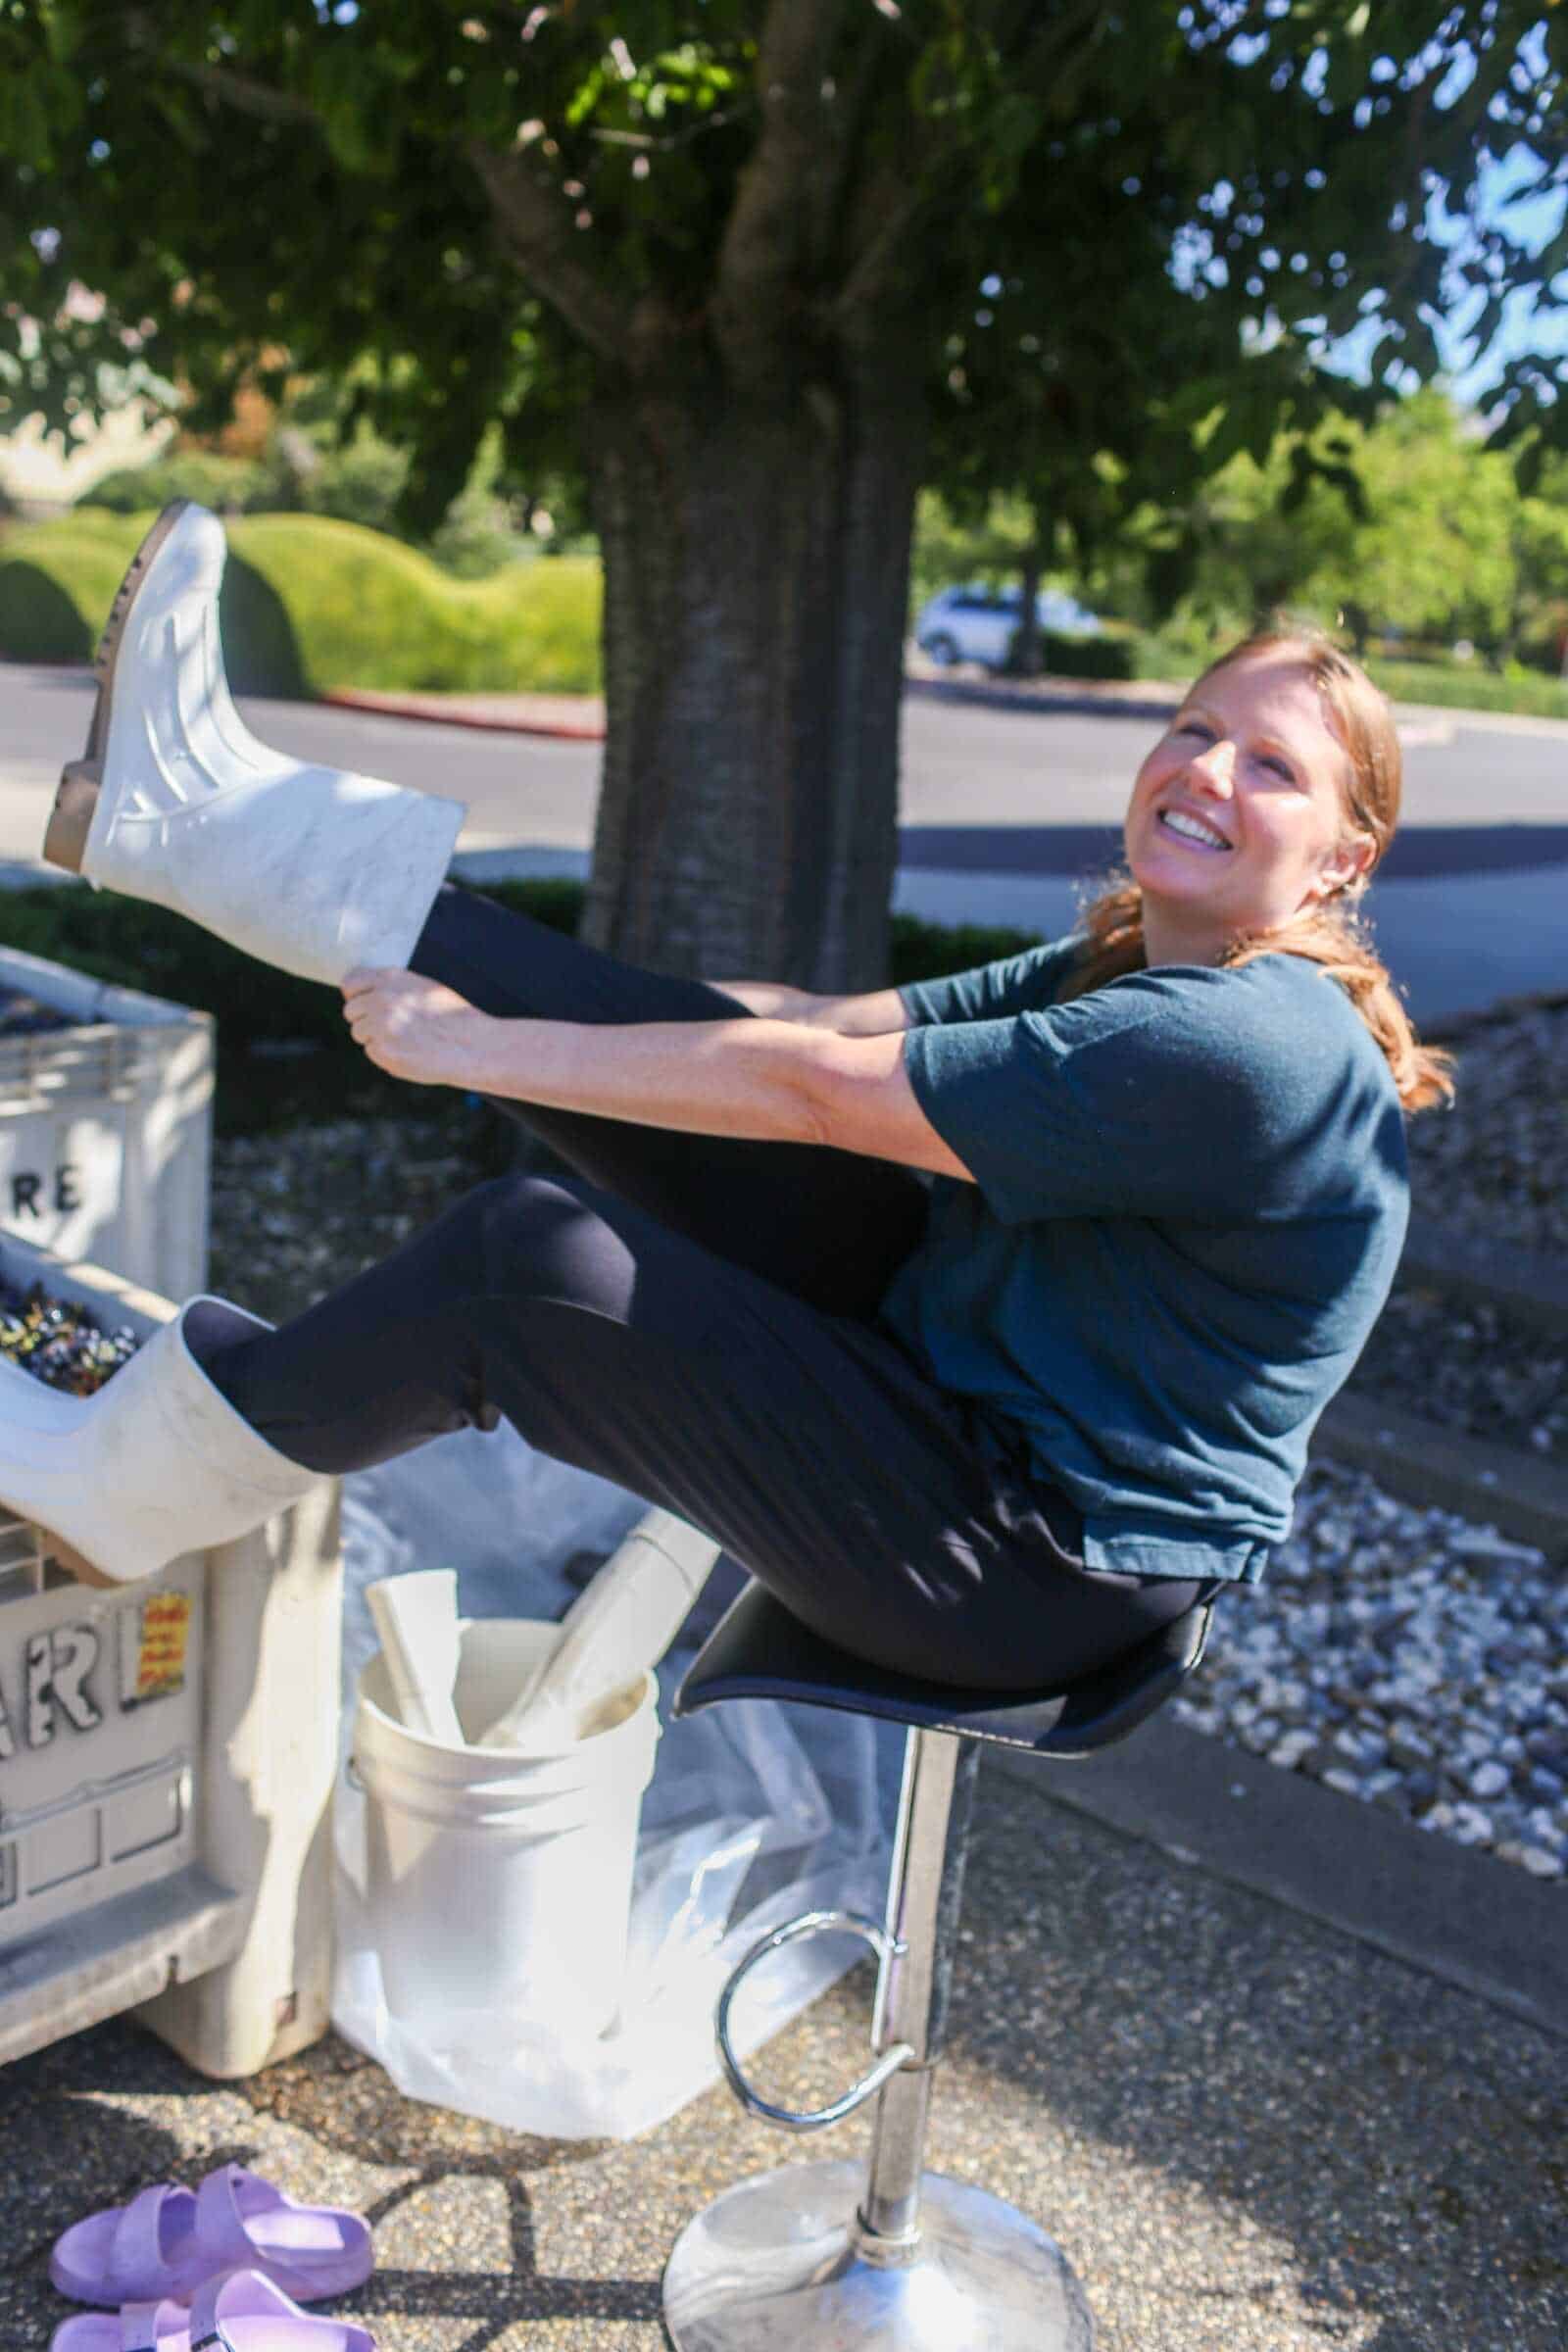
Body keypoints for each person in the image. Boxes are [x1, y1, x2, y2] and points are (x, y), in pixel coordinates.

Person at [2, 504, 1452, 1690]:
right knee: (667, 1048)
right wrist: (564, 1029)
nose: (1207, 771)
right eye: (1197, 728)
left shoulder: (1260, 1046)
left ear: (1342, 861)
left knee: (530, 1266)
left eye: (1273, 767)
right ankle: (187, 822)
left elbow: (823, 1096)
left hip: (1027, 1556)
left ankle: (128, 1489)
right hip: (954, 1368)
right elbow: (812, 1027)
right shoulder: (1125, 957)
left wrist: (478, 1050)